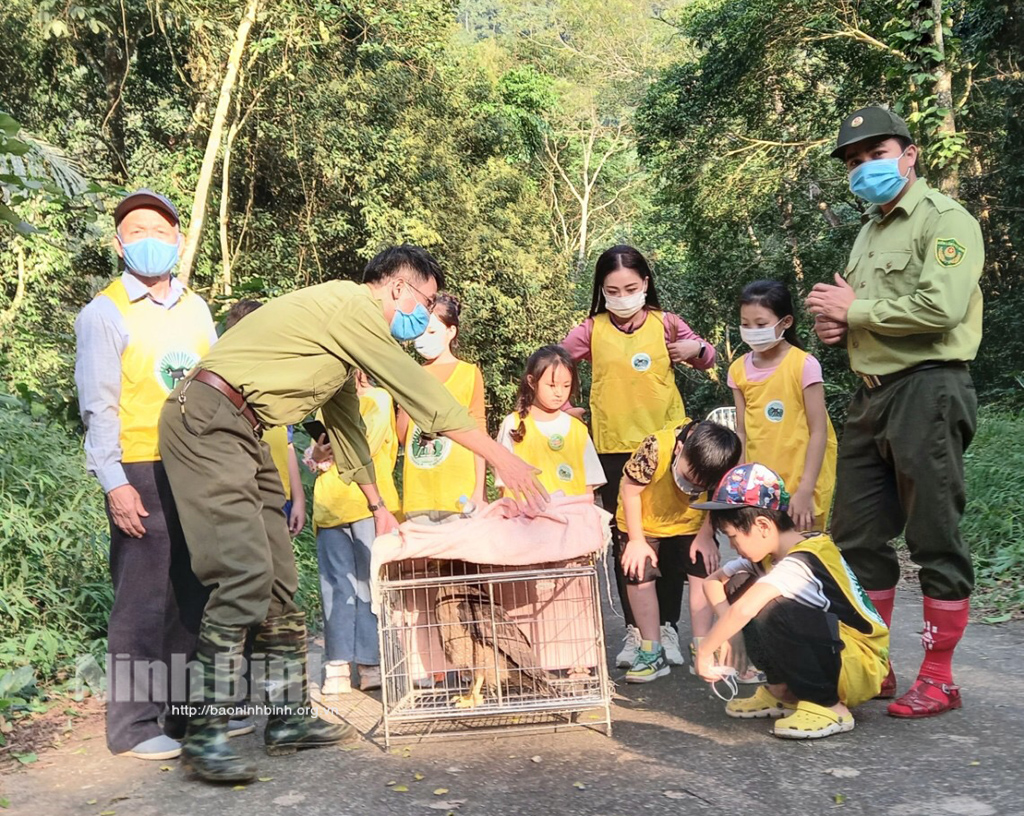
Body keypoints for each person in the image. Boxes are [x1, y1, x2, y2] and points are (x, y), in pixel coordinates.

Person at [157, 244, 547, 783]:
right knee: (242, 575)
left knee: (279, 582)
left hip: (247, 431)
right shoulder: (352, 308)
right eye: (427, 300)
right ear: (398, 288)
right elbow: (418, 392)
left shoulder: (341, 340)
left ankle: (287, 718)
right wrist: (503, 457)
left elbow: (345, 426)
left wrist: (378, 505)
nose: (427, 314)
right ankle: (204, 732)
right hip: (207, 417)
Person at [806, 106, 983, 718]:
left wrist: (854, 310)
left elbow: (941, 307)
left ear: (908, 153)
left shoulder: (947, 220)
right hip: (871, 393)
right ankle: (874, 662)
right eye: (853, 162)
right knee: (856, 534)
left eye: (875, 153)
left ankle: (939, 677)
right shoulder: (870, 231)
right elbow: (864, 310)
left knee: (933, 532)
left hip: (929, 389)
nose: (864, 168)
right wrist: (839, 325)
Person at [74, 189, 229, 760]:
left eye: (161, 231)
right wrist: (114, 482)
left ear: (179, 242)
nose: (149, 240)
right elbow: (99, 406)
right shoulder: (105, 312)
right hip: (139, 469)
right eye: (136, 230)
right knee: (141, 599)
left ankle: (182, 717)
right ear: (119, 244)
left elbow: (218, 384)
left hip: (195, 466)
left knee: (192, 594)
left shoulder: (196, 308)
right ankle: (134, 726)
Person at [562, 245, 717, 669]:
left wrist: (694, 351)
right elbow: (554, 363)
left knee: (668, 536)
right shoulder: (590, 330)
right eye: (612, 289)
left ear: (645, 285)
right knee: (628, 538)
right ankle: (636, 632)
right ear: (602, 291)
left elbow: (709, 357)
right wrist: (561, 405)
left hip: (670, 445)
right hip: (615, 448)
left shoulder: (666, 323)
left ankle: (666, 626)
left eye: (631, 287)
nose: (622, 295)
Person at [693, 463, 889, 740]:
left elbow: (746, 608)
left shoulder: (804, 561)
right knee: (740, 586)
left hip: (859, 664)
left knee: (770, 607)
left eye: (734, 538)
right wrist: (732, 632)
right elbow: (713, 581)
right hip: (839, 655)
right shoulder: (771, 555)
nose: (733, 547)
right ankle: (781, 692)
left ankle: (828, 706)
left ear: (762, 525)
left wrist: (705, 650)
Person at [616, 420, 741, 682]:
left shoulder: (724, 461)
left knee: (704, 569)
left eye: (700, 487)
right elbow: (629, 490)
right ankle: (651, 651)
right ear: (679, 449)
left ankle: (703, 648)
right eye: (687, 478)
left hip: (691, 522)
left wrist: (706, 535)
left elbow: (719, 499)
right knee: (638, 572)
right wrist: (637, 540)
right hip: (644, 521)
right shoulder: (655, 447)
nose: (691, 488)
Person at [305, 370, 398, 695]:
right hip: (329, 507)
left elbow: (364, 447)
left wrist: (329, 455)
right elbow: (317, 454)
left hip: (369, 506)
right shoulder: (324, 404)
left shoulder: (380, 399)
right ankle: (338, 663)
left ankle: (371, 662)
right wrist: (315, 456)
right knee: (335, 589)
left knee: (370, 585)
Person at [729, 280, 837, 531]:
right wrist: (741, 487)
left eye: (761, 324)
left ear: (785, 322)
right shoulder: (738, 370)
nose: (752, 330)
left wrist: (805, 490)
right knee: (765, 561)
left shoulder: (803, 365)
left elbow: (818, 431)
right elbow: (742, 432)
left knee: (802, 558)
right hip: (760, 489)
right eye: (745, 324)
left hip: (802, 487)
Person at [397, 293, 486, 517]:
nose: (424, 338)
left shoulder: (469, 374)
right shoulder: (411, 375)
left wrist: (479, 490)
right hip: (418, 495)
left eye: (432, 331)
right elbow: (402, 435)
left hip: (459, 496)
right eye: (420, 331)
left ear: (451, 331)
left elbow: (480, 435)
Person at [223, 300, 305, 536]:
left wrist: (298, 498)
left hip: (280, 497)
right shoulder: (224, 385)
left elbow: (287, 444)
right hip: (243, 499)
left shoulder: (279, 384)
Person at [496, 345, 605, 499]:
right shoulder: (512, 424)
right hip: (525, 519)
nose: (559, 393)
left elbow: (588, 485)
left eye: (566, 385)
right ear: (532, 382)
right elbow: (503, 484)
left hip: (571, 519)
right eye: (552, 385)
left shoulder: (577, 429)